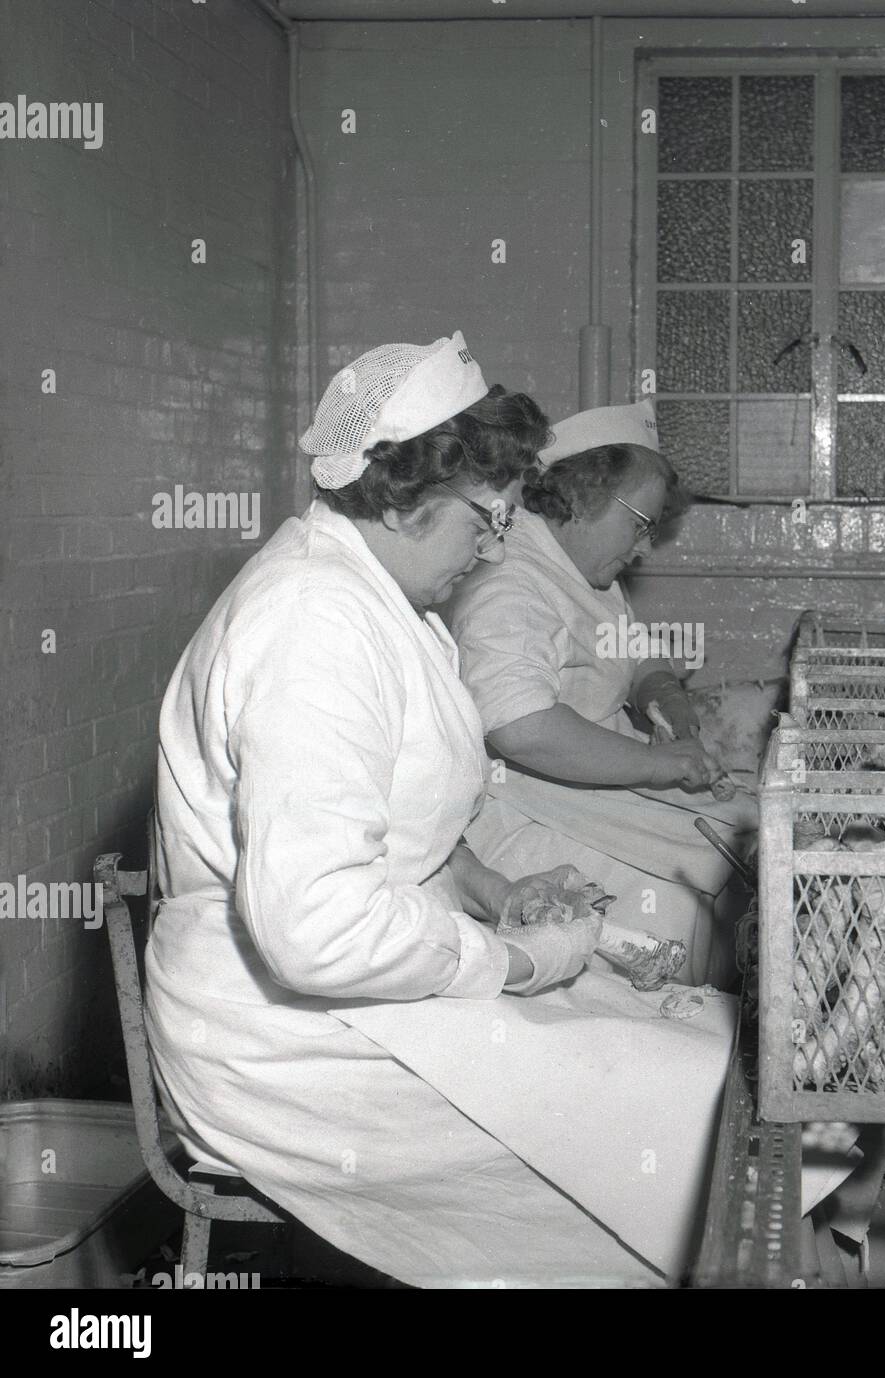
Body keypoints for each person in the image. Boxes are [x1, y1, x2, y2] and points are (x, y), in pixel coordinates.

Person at [144, 335, 659, 1286]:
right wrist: (502, 960)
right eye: (486, 518)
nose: (499, 544)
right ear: (402, 490)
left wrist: (492, 888)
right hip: (275, 1034)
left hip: (348, 979)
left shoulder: (388, 602)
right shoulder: (313, 622)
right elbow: (314, 929)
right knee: (640, 1113)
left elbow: (404, 820)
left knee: (661, 1043)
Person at [445, 400, 757, 988]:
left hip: (594, 790)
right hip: (523, 814)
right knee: (701, 926)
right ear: (586, 495)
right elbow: (520, 727)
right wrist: (653, 762)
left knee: (750, 837)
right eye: (641, 524)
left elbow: (632, 652)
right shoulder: (511, 582)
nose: (644, 546)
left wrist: (662, 690)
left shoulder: (584, 569)